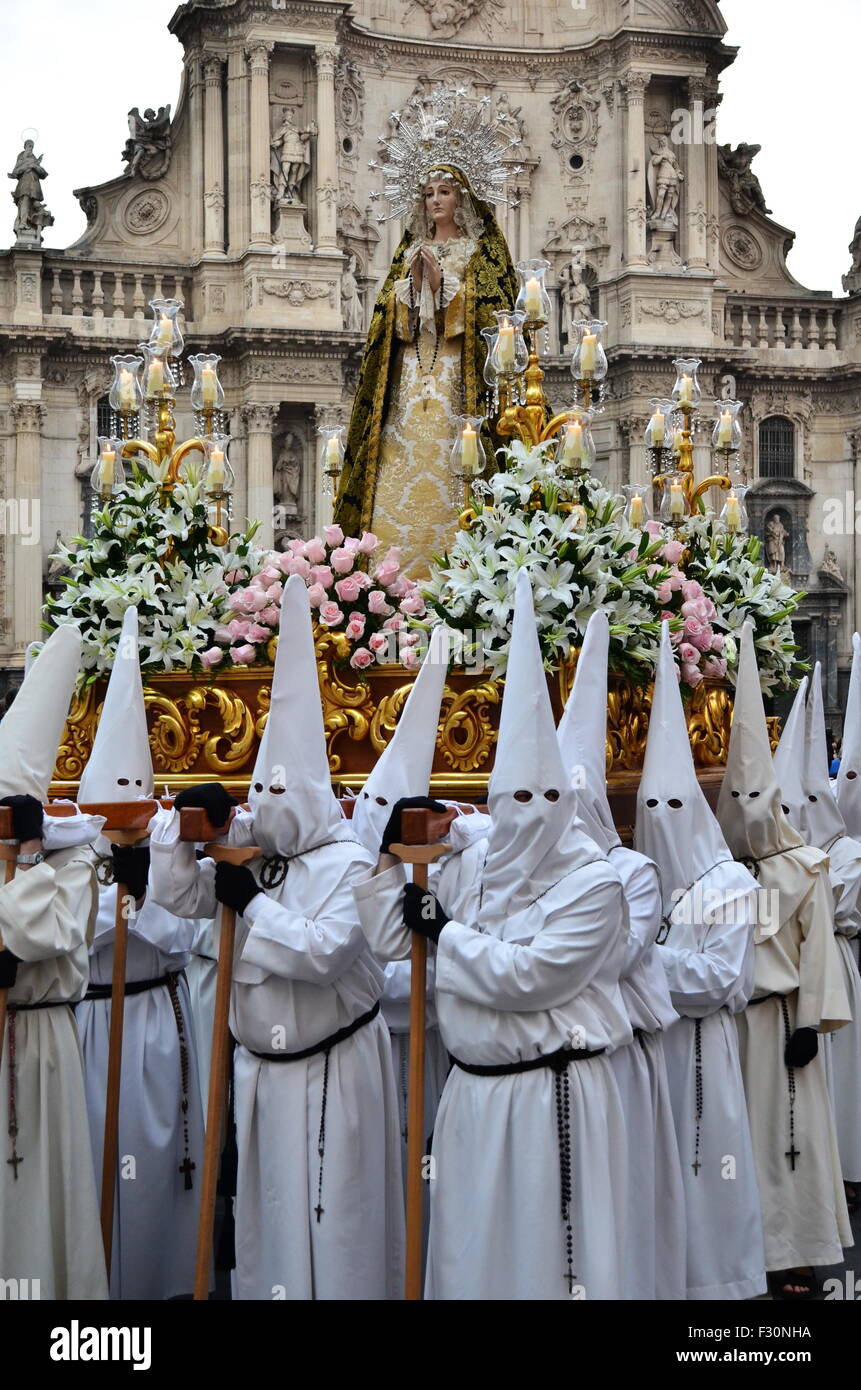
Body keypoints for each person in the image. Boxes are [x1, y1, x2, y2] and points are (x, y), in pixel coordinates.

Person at [359, 572, 631, 1300]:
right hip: (473, 1096)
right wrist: (391, 858)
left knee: (553, 1263)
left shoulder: (594, 883)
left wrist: (445, 933)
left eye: (546, 798)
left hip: (555, 1093)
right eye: (514, 796)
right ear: (491, 797)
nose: (531, 812)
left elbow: (531, 977)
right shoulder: (474, 857)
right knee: (472, 1260)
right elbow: (391, 941)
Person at [150, 575, 404, 1300]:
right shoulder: (253, 855)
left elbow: (324, 953)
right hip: (261, 1071)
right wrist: (186, 834)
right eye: (258, 796)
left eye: (277, 798)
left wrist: (253, 910)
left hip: (332, 1073)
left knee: (338, 1221)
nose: (264, 811)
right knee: (272, 1226)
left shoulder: (347, 862)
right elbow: (183, 898)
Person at [717, 623, 852, 1300]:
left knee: (785, 1144)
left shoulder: (803, 868)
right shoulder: (711, 873)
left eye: (756, 800)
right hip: (727, 1028)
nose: (746, 813)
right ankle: (736, 1253)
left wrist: (811, 1021)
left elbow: (818, 948)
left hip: (778, 1027)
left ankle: (794, 1250)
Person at [75, 607, 206, 1300]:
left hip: (155, 1017)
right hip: (91, 1022)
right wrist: (113, 900)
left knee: (155, 1167)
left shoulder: (167, 842)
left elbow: (186, 933)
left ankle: (163, 1288)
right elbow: (64, 927)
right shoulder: (71, 846)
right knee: (91, 1155)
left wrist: (147, 896)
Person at [636, 622, 766, 1301]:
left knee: (704, 1168)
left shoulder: (728, 885)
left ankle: (719, 1293)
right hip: (644, 1052)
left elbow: (718, 980)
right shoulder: (628, 877)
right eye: (647, 805)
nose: (660, 815)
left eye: (673, 805)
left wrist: (632, 967)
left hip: (696, 1053)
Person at [558, 611, 686, 1300]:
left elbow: (611, 956)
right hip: (563, 1057)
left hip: (618, 1054)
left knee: (621, 1195)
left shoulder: (629, 872)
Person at [334, 157, 517, 574]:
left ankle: (462, 570)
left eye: (445, 192)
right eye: (429, 193)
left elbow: (496, 316)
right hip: (411, 381)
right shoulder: (408, 254)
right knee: (398, 462)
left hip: (460, 383)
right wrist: (412, 294)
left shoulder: (481, 254)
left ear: (462, 200)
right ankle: (386, 574)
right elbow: (388, 327)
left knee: (458, 461)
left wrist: (444, 291)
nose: (436, 200)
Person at [0, 623, 108, 1300]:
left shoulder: (76, 858)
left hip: (39, 1039)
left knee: (41, 1191)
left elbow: (39, 935)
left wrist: (30, 858)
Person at [349, 626, 450, 1178]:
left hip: (432, 1045)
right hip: (361, 1046)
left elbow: (452, 970)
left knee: (429, 1160)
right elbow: (359, 964)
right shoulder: (346, 865)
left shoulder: (452, 870)